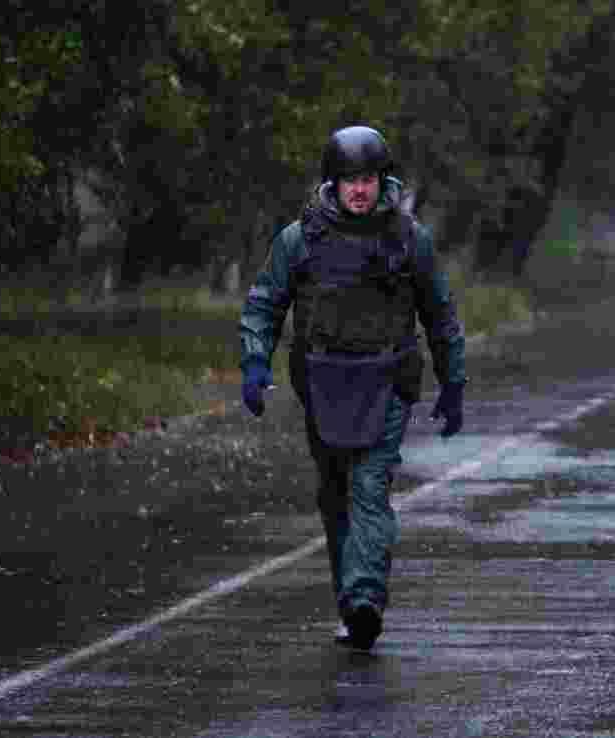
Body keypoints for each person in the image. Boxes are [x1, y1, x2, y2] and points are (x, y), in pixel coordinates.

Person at [239, 125, 467, 651]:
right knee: (335, 495)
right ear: (333, 184)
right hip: (322, 382)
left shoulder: (410, 239)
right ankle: (350, 601)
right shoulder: (301, 239)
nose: (359, 190)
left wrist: (453, 381)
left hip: (387, 379)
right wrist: (255, 361)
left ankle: (364, 600)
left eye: (367, 179)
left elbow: (441, 315)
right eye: (349, 181)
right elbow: (265, 302)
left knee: (369, 488)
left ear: (380, 180)